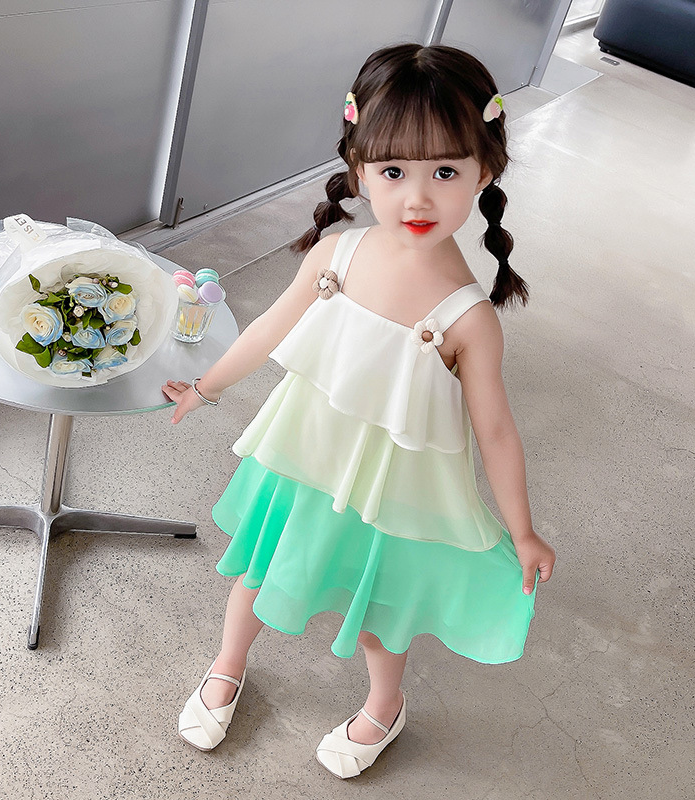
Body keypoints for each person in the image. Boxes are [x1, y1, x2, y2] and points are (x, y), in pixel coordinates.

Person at [162, 42, 556, 780]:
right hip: (308, 454)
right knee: (258, 572)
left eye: (445, 172)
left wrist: (524, 528)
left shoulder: (469, 318)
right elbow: (268, 329)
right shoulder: (336, 254)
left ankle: (384, 704)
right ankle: (227, 664)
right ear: (358, 167)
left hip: (392, 488)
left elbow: (496, 431)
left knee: (379, 612)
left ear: (486, 171)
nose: (417, 199)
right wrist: (205, 386)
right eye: (394, 172)